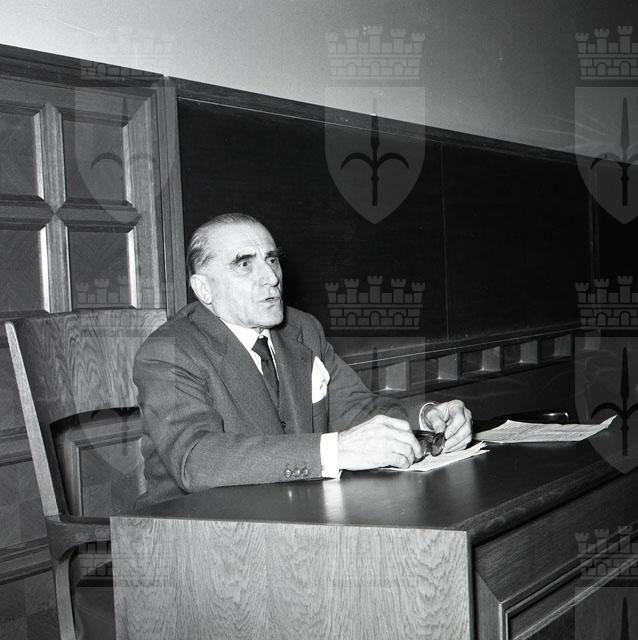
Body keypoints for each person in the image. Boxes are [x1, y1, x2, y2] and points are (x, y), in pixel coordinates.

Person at [133, 214, 472, 505]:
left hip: (298, 516)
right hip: (195, 532)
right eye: (245, 264)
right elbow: (196, 460)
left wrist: (428, 421)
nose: (271, 278)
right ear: (204, 289)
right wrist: (336, 451)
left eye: (271, 260)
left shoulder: (302, 330)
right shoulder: (169, 351)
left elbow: (358, 411)